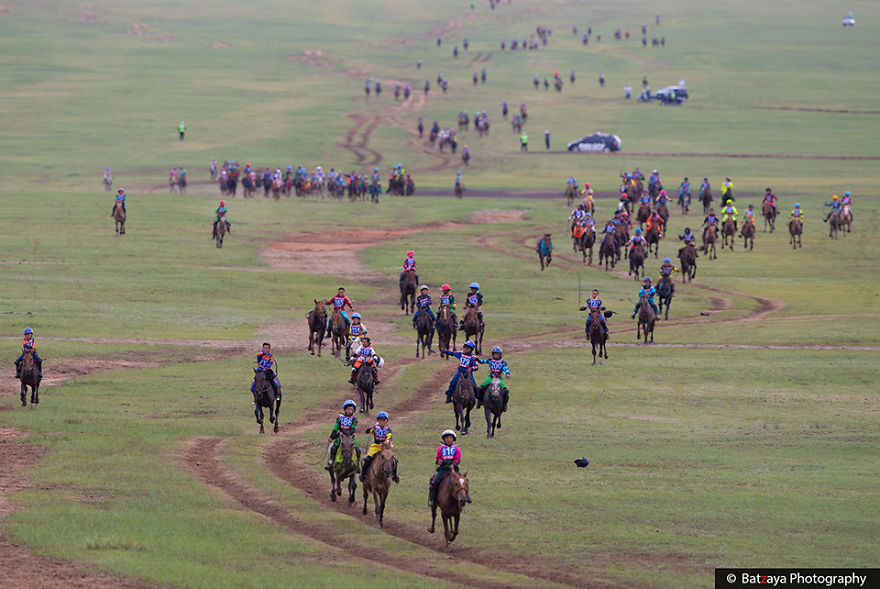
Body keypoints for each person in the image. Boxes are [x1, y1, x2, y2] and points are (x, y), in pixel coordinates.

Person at [428, 430, 471, 507]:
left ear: (453, 439)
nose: (449, 440)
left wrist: (454, 464)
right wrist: (439, 461)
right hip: (443, 469)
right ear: (444, 439)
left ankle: (466, 495)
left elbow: (458, 458)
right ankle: (433, 499)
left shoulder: (456, 448)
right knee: (436, 481)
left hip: (454, 469)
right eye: (447, 438)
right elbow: (437, 458)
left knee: (465, 480)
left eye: (450, 438)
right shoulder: (441, 448)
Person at [360, 411, 399, 483]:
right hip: (376, 446)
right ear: (377, 421)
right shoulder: (375, 428)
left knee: (394, 460)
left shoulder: (388, 429)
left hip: (385, 447)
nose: (382, 422)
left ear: (386, 421)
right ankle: (363, 473)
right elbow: (367, 431)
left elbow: (390, 437)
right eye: (380, 420)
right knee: (367, 459)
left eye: (383, 420)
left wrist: (387, 441)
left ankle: (394, 475)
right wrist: (369, 429)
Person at [326, 400, 360, 471]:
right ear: (345, 409)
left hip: (350, 437)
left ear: (353, 410)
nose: (349, 411)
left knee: (358, 449)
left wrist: (346, 432)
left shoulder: (354, 419)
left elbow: (353, 429)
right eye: (348, 409)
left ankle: (357, 463)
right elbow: (336, 428)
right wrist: (332, 437)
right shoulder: (340, 418)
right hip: (341, 436)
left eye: (351, 409)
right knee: (334, 447)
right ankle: (331, 461)